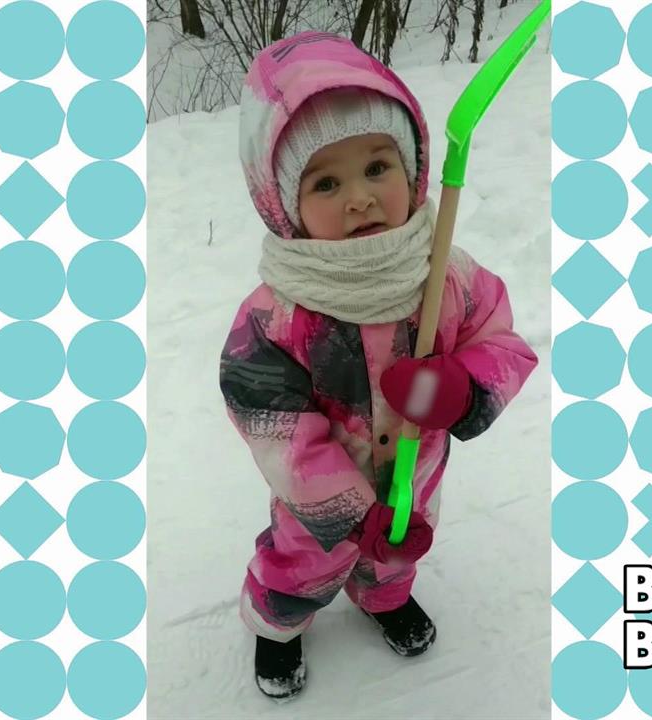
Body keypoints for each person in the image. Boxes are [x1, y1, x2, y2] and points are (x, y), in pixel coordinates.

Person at [219, 31, 537, 701]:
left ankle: (383, 596)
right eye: (326, 182)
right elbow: (272, 420)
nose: (360, 197)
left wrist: (463, 387)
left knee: (400, 548)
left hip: (415, 474)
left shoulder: (444, 273)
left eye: (376, 168)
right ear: (282, 202)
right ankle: (279, 623)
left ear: (413, 167)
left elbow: (502, 341)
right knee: (301, 562)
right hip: (319, 499)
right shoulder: (279, 314)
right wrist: (343, 508)